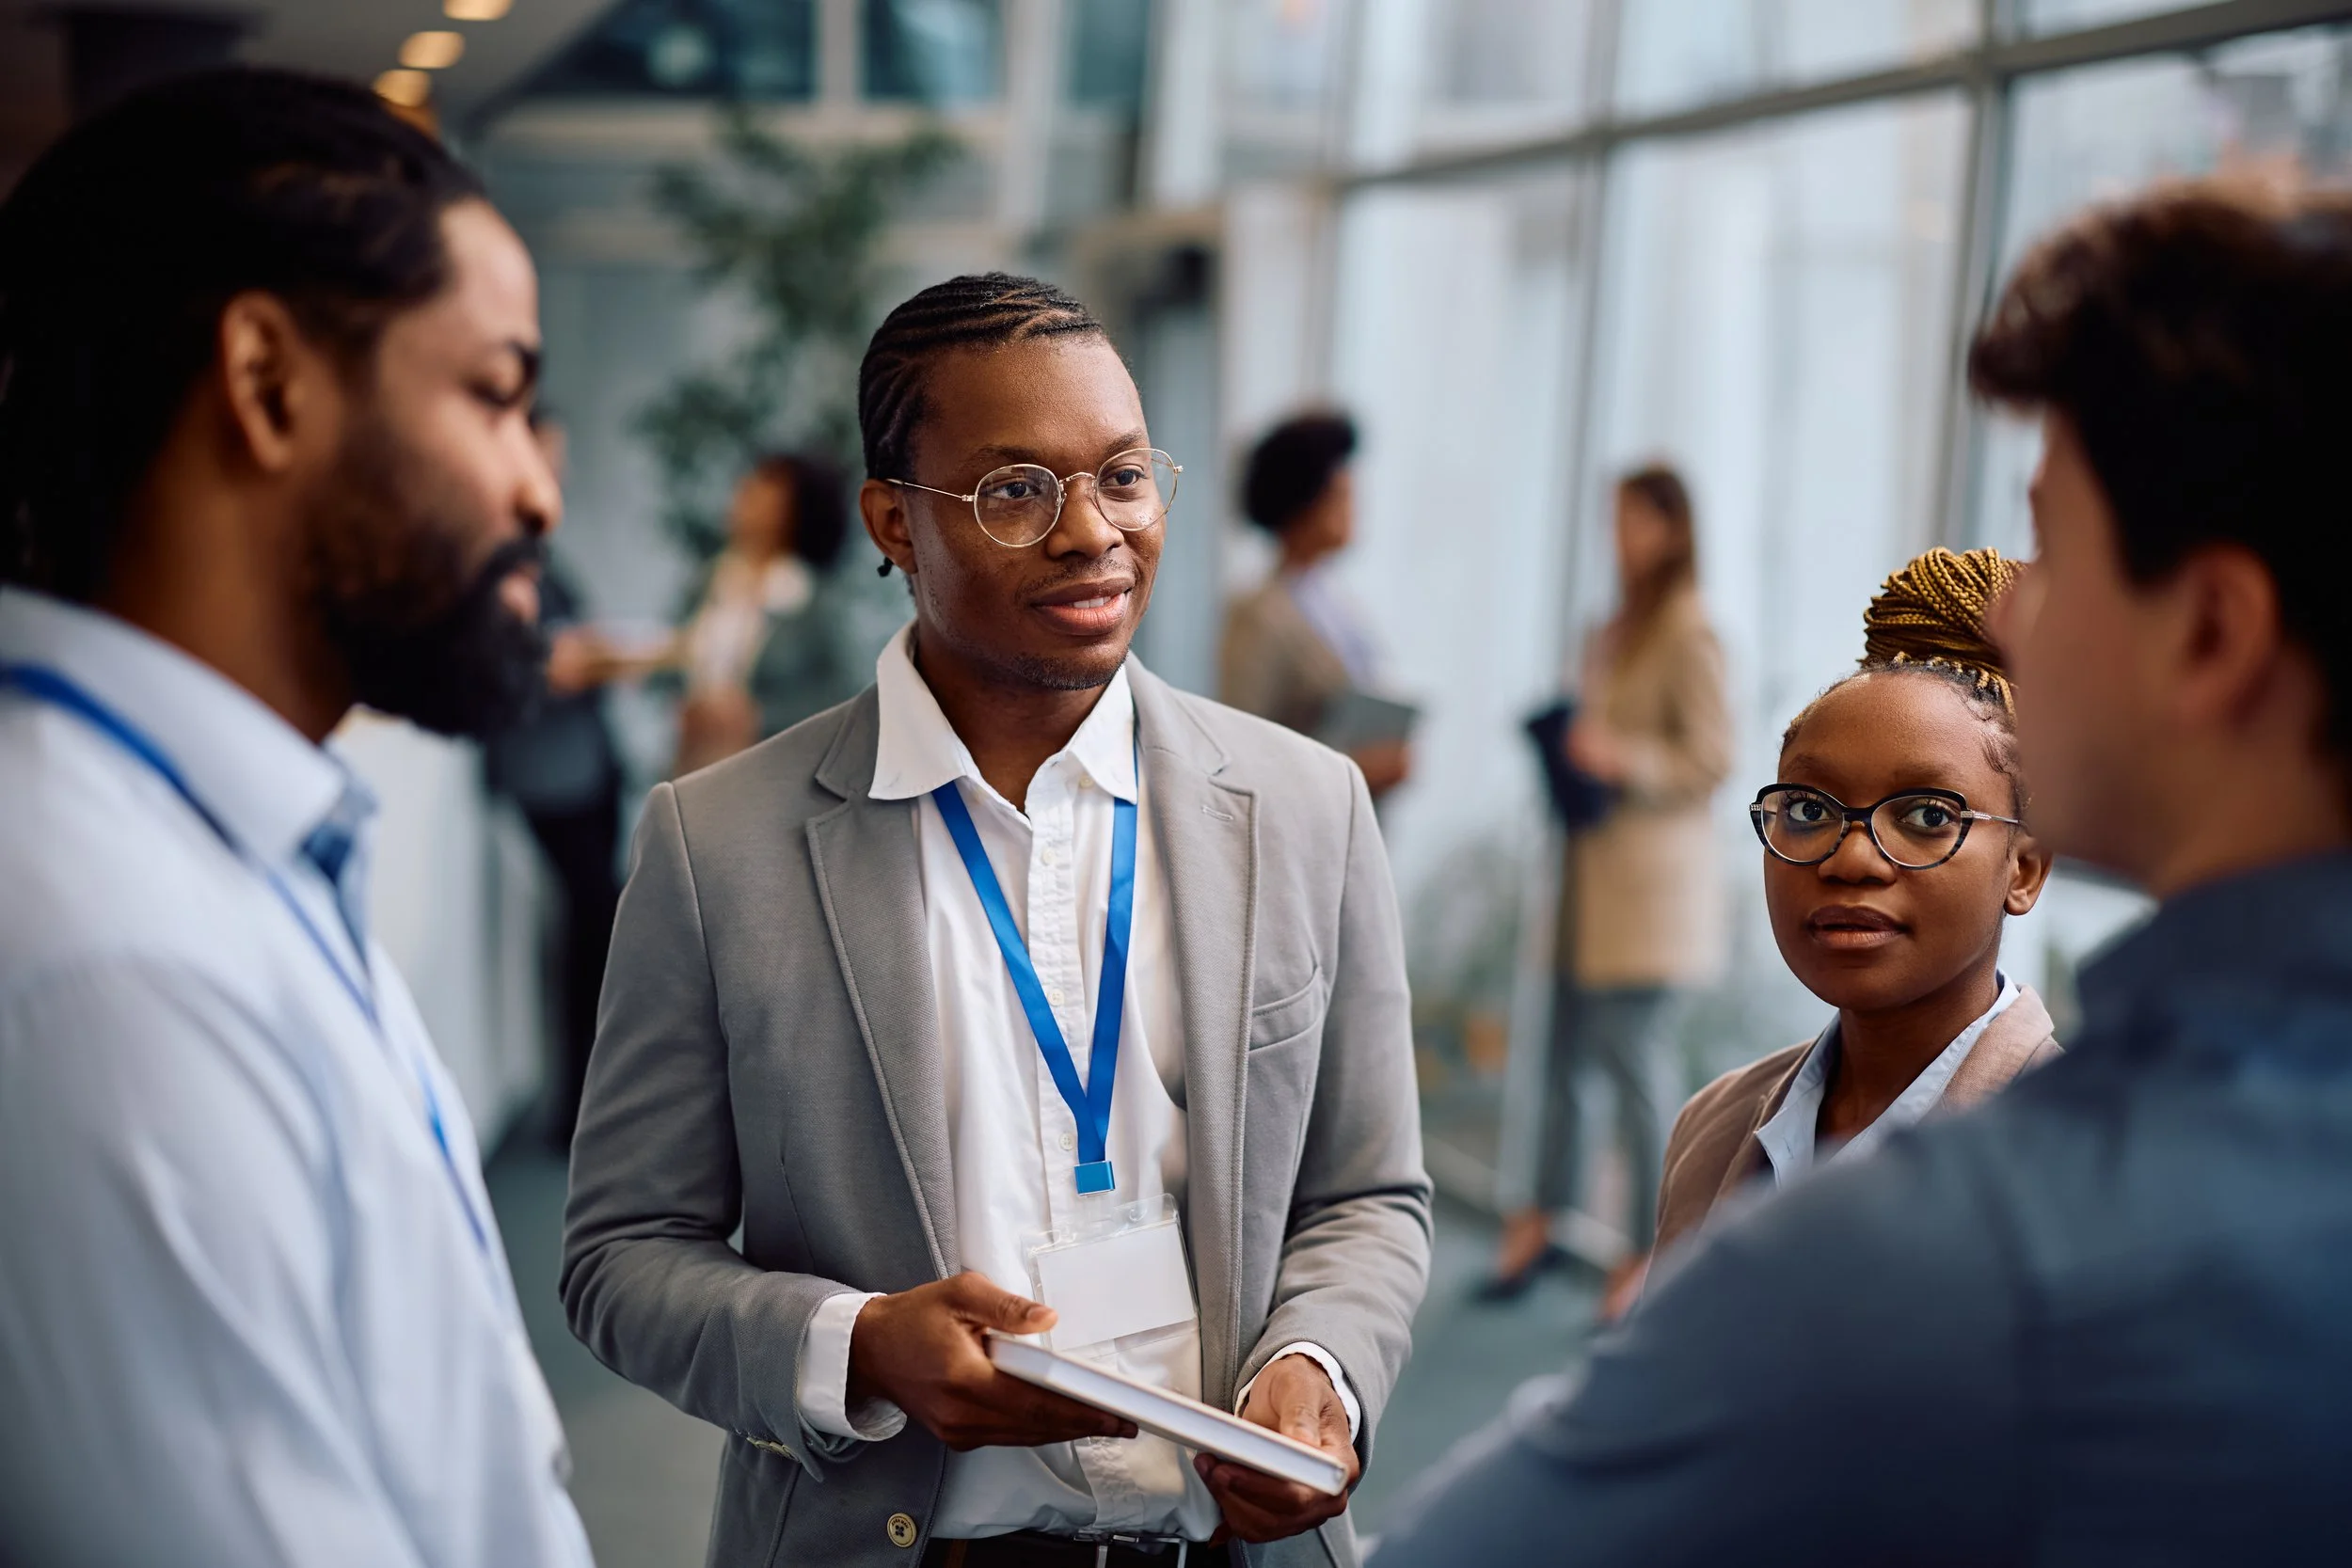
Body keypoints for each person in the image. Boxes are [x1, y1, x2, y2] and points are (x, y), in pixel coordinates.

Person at [1369, 178, 2352, 1563]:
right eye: (1813, 810)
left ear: (2212, 633)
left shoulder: (1954, 1250)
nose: (2005, 603)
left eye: (2055, 554)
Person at [563, 273, 1430, 1568]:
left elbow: (1368, 1191)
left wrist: (1321, 1360)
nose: (1093, 532)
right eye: (1017, 488)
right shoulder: (719, 844)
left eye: (1126, 476)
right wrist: (856, 1345)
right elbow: (621, 1254)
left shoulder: (1303, 806)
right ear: (894, 522)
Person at [0, 71, 591, 1568]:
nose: (538, 493)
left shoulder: (214, 850)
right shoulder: (104, 954)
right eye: (497, 393)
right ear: (267, 383)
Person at [1653, 547, 2058, 1257]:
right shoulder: (1713, 1126)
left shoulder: (2077, 1170)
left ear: (2023, 868)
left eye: (1929, 816)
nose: (1850, 857)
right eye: (1809, 808)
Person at [1487, 463, 1729, 1293]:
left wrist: (1616, 754)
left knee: (1636, 1076)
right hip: (1591, 885)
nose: (1617, 538)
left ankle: (1649, 1254)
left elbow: (1712, 758)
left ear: (1670, 528)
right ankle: (1544, 1223)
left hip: (1647, 900)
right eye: (1612, 521)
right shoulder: (1614, 627)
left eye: (1631, 521)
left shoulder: (1689, 630)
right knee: (1563, 1067)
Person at [483, 410, 627, 1147]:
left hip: (584, 764)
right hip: (552, 774)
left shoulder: (540, 549)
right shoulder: (500, 551)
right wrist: (563, 662)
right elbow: (515, 659)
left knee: (590, 930)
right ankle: (577, 1102)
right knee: (588, 933)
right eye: (547, 451)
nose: (554, 474)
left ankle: (582, 1098)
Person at [1218, 411, 1410, 798]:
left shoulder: (1335, 603)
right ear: (1304, 502)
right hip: (1297, 834)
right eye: (1340, 495)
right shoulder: (1260, 615)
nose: (1355, 506)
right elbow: (1239, 751)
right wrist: (1354, 770)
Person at [673, 450, 861, 773]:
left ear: (792, 510)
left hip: (773, 769)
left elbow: (842, 697)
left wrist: (758, 717)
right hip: (699, 762)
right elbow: (679, 659)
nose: (745, 494)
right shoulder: (710, 582)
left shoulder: (809, 599)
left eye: (764, 489)